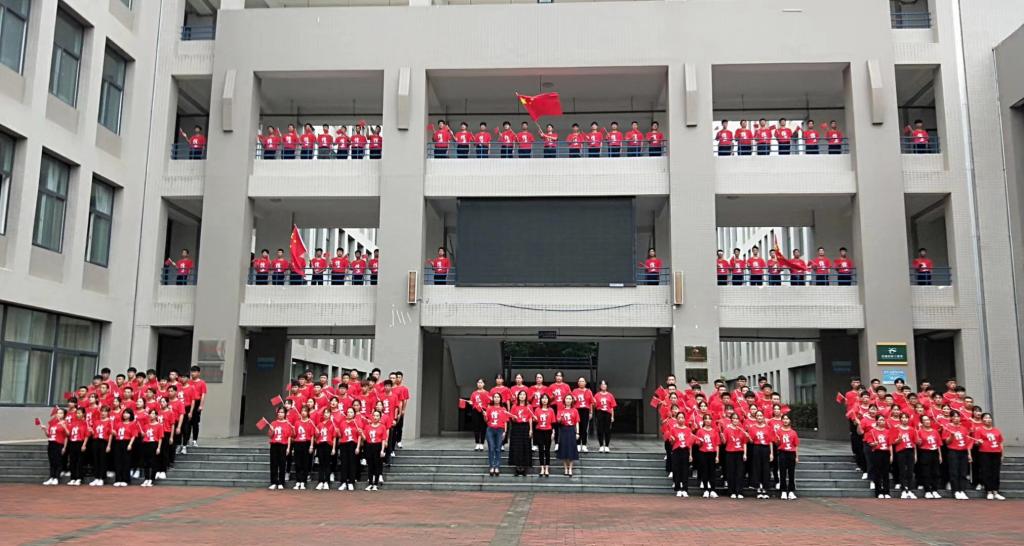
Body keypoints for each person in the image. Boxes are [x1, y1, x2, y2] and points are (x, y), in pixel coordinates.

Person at [973, 413, 1005, 500]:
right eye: (986, 418)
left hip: (996, 453)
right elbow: (976, 442)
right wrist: (978, 442)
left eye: (989, 418)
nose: (988, 419)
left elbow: (1001, 442)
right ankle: (989, 491)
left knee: (996, 472)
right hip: (985, 453)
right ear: (982, 420)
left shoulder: (996, 430)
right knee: (986, 472)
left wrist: (1002, 454)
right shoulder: (979, 430)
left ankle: (996, 491)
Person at [943, 410, 973, 500]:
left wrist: (969, 454)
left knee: (963, 472)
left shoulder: (964, 428)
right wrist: (951, 436)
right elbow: (947, 442)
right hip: (953, 451)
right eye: (954, 416)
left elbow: (967, 443)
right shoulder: (947, 427)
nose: (956, 418)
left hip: (963, 451)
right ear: (951, 418)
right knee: (954, 472)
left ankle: (962, 490)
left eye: (958, 416)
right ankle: (955, 490)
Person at [865, 414, 893, 498]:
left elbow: (890, 444)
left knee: (885, 473)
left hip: (886, 453)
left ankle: (886, 492)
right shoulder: (872, 431)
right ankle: (878, 492)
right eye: (880, 420)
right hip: (877, 453)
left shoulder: (888, 431)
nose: (882, 421)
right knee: (877, 473)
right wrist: (874, 444)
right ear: (877, 421)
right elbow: (870, 443)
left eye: (883, 420)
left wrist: (891, 455)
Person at [747, 410, 774, 499]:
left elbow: (770, 441)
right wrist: (748, 437)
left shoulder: (768, 428)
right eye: (758, 416)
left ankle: (765, 488)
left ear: (763, 417)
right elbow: (751, 441)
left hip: (765, 448)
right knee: (756, 468)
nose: (759, 417)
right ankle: (758, 487)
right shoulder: (752, 428)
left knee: (766, 468)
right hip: (756, 448)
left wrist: (771, 453)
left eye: (761, 415)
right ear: (756, 417)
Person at [667, 412, 694, 497]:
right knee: (676, 470)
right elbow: (671, 443)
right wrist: (672, 440)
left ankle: (685, 489)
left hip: (685, 450)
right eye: (679, 417)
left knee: (685, 470)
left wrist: (690, 455)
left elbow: (690, 443)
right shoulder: (673, 429)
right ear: (677, 419)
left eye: (682, 417)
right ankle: (678, 488)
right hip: (676, 451)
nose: (681, 419)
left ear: (685, 419)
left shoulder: (688, 430)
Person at [891, 413, 918, 498]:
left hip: (910, 450)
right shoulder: (896, 428)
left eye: (906, 418)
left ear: (908, 419)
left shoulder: (912, 429)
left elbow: (915, 442)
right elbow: (893, 442)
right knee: (902, 471)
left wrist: (915, 455)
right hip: (901, 451)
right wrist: (898, 440)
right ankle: (903, 490)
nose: (904, 419)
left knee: (910, 471)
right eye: (902, 418)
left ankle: (910, 490)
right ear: (900, 419)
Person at [693, 414, 721, 498]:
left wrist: (717, 456)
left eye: (709, 419)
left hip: (712, 453)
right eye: (706, 419)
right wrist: (700, 442)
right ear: (704, 421)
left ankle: (713, 490)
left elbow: (717, 444)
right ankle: (705, 490)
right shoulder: (700, 431)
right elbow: (697, 443)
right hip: (703, 453)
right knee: (704, 471)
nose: (708, 420)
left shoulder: (714, 431)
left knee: (712, 472)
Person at [916, 414, 943, 498]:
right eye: (925, 420)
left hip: (935, 452)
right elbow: (918, 444)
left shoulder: (935, 431)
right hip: (925, 452)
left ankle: (935, 490)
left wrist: (940, 455)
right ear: (922, 422)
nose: (927, 421)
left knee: (936, 472)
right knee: (926, 472)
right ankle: (927, 490)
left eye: (928, 420)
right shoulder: (919, 431)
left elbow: (938, 444)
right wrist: (918, 441)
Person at [508, 391, 534, 476]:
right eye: (520, 395)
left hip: (525, 427)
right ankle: (517, 467)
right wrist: (514, 418)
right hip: (516, 427)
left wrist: (531, 429)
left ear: (526, 396)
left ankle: (524, 467)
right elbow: (511, 417)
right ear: (518, 396)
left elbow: (530, 418)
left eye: (524, 395)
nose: (522, 396)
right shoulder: (514, 406)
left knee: (525, 446)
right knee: (517, 447)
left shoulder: (529, 406)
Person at [722, 413, 747, 498]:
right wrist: (722, 437)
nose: (735, 420)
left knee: (740, 473)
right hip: (730, 453)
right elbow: (724, 442)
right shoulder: (727, 429)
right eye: (734, 418)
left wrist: (745, 454)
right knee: (731, 472)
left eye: (737, 419)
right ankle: (731, 491)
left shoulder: (741, 429)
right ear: (731, 420)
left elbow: (744, 443)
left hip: (740, 453)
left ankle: (739, 491)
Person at [336, 407, 362, 491]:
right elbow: (340, 436)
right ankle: (343, 482)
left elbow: (359, 436)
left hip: (353, 444)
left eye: (351, 412)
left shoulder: (357, 422)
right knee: (344, 463)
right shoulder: (342, 423)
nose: (349, 414)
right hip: (344, 444)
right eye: (348, 412)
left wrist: (358, 447)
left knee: (352, 463)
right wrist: (338, 432)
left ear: (354, 414)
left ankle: (351, 482)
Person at [41, 408, 69, 485]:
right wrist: (45, 429)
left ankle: (56, 477)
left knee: (58, 461)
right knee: (52, 461)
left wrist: (64, 447)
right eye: (58, 413)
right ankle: (51, 477)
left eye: (61, 413)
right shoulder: (53, 423)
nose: (59, 414)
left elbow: (67, 435)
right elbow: (48, 435)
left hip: (59, 444)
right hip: (51, 443)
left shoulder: (65, 423)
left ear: (64, 415)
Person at [111, 409, 138, 487]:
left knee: (126, 461)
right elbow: (116, 434)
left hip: (127, 442)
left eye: (127, 413)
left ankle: (125, 479)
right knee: (118, 461)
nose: (125, 414)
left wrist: (130, 444)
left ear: (130, 415)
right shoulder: (119, 424)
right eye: (124, 413)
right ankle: (118, 479)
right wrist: (114, 433)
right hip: (118, 442)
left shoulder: (132, 424)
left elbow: (134, 435)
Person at [267, 407, 292, 490]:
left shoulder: (287, 424)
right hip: (274, 445)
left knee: (282, 464)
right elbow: (270, 436)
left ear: (285, 414)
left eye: (282, 412)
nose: (280, 414)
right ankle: (273, 482)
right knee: (273, 464)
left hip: (283, 446)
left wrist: (288, 448)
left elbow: (289, 437)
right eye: (279, 412)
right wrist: (272, 430)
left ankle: (281, 482)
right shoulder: (273, 423)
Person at [775, 414, 799, 499]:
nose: (785, 420)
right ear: (782, 420)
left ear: (789, 421)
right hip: (782, 453)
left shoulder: (793, 432)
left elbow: (796, 445)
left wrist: (796, 456)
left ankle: (791, 491)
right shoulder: (779, 431)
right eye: (784, 419)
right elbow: (777, 444)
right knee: (782, 473)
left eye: (787, 419)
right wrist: (777, 440)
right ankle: (783, 491)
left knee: (791, 473)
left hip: (791, 453)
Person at [484, 393, 509, 476]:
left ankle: (497, 466)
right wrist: (484, 415)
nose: (496, 398)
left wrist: (505, 431)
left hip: (500, 430)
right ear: (493, 399)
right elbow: (486, 420)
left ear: (500, 399)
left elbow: (505, 421)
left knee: (498, 448)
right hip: (490, 430)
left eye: (498, 397)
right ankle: (492, 466)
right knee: (491, 448)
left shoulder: (503, 409)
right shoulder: (489, 408)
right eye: (495, 397)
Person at [362, 410, 388, 491]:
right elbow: (365, 438)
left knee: (377, 465)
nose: (375, 417)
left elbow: (383, 439)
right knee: (370, 466)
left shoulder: (382, 427)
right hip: (369, 446)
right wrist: (361, 433)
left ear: (380, 417)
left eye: (377, 416)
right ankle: (370, 483)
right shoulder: (367, 427)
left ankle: (375, 484)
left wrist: (382, 450)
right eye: (374, 415)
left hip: (378, 446)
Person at [556, 395, 581, 476]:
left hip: (571, 430)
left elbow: (577, 422)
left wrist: (577, 433)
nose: (568, 400)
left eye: (570, 399)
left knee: (571, 449)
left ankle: (570, 468)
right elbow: (558, 421)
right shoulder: (561, 410)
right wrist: (561, 417)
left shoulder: (575, 410)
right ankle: (565, 468)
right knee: (564, 449)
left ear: (572, 400)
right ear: (564, 400)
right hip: (563, 430)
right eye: (567, 398)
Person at [313, 408, 337, 490]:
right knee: (321, 464)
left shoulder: (332, 424)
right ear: (323, 415)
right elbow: (316, 437)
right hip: (320, 445)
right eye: (325, 413)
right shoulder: (319, 425)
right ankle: (320, 481)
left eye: (328, 413)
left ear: (330, 414)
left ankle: (326, 481)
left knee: (327, 464)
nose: (326, 414)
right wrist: (317, 433)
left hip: (328, 445)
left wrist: (333, 448)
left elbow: (334, 437)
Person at [291, 407, 314, 490]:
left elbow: (312, 435)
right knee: (298, 463)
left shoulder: (310, 422)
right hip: (298, 443)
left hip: (306, 443)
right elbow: (294, 435)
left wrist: (311, 446)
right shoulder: (297, 422)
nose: (303, 412)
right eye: (302, 411)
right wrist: (293, 431)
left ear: (308, 413)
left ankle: (303, 482)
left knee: (305, 463)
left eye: (305, 411)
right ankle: (298, 481)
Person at [65, 407, 89, 486]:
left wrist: (84, 445)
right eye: (77, 413)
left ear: (83, 414)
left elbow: (86, 435)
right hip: (72, 443)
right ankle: (73, 478)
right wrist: (64, 426)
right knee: (72, 461)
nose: (77, 414)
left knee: (79, 462)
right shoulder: (73, 423)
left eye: (79, 413)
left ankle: (79, 478)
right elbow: (68, 434)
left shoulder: (85, 423)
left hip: (80, 443)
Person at [533, 394, 555, 477]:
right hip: (539, 431)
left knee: (547, 450)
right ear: (541, 400)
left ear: (548, 400)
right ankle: (542, 467)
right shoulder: (537, 409)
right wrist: (534, 419)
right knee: (541, 450)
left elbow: (553, 423)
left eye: (546, 398)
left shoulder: (551, 410)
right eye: (543, 398)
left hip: (548, 431)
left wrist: (553, 432)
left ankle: (547, 468)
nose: (544, 400)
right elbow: (535, 421)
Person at [571, 378, 594, 452]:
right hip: (577, 410)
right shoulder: (574, 391)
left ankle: (584, 445)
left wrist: (591, 412)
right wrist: (573, 400)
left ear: (585, 383)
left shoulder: (589, 391)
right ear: (578, 383)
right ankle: (577, 444)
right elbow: (571, 401)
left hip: (585, 410)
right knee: (577, 427)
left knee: (584, 428)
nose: (581, 382)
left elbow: (591, 403)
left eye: (583, 381)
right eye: (580, 381)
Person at [593, 381, 616, 452]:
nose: (603, 386)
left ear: (607, 386)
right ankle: (601, 445)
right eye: (602, 385)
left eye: (605, 384)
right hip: (600, 413)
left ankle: (606, 446)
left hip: (608, 413)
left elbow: (612, 407)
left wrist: (612, 416)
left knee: (607, 430)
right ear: (600, 386)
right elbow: (594, 406)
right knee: (600, 429)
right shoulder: (597, 395)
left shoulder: (610, 395)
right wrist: (593, 403)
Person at [187, 365, 207, 447]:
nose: (193, 373)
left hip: (197, 403)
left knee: (195, 423)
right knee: (188, 423)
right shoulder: (188, 382)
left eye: (194, 372)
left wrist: (201, 405)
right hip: (189, 403)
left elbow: (203, 395)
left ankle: (194, 440)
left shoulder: (202, 383)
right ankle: (186, 440)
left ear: (198, 373)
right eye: (192, 372)